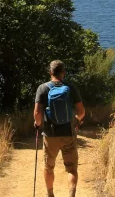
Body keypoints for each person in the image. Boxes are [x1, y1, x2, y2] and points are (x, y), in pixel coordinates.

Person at [34, 60, 86, 197]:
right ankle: (71, 195)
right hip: (68, 133)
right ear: (63, 73)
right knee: (71, 169)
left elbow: (37, 113)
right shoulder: (71, 88)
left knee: (48, 168)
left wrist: (37, 123)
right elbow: (81, 112)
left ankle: (50, 195)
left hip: (50, 135)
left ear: (50, 72)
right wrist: (77, 121)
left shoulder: (43, 88)